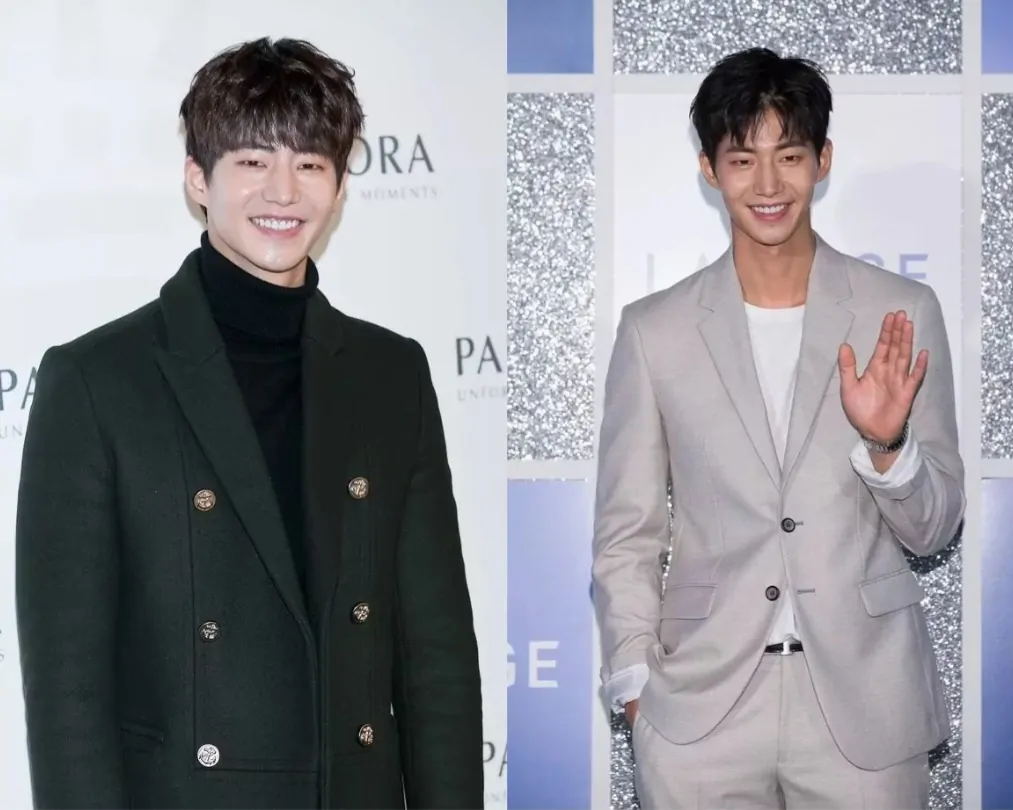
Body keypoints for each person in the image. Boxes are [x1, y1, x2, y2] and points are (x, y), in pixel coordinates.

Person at [15, 37, 483, 810]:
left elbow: (436, 659)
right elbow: (68, 690)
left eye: (310, 163)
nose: (283, 191)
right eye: (253, 161)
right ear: (198, 179)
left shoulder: (390, 374)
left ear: (340, 185)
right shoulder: (98, 381)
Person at [592, 47, 963, 809]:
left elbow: (934, 528)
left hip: (865, 706)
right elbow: (627, 531)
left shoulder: (899, 312)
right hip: (700, 710)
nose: (767, 185)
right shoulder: (654, 330)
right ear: (708, 169)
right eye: (742, 160)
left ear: (822, 160)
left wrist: (886, 445)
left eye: (788, 156)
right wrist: (634, 684)